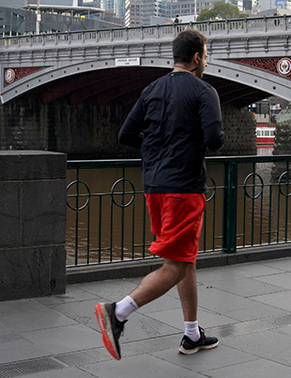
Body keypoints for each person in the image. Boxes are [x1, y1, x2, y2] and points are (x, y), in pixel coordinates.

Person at [96, 29, 224, 360]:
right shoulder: (204, 90)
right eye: (205, 55)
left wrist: (158, 148)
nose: (205, 61)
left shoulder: (152, 89)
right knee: (176, 265)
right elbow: (214, 139)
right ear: (197, 58)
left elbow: (126, 134)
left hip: (154, 186)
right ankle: (118, 312)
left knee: (184, 259)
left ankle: (191, 334)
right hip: (184, 188)